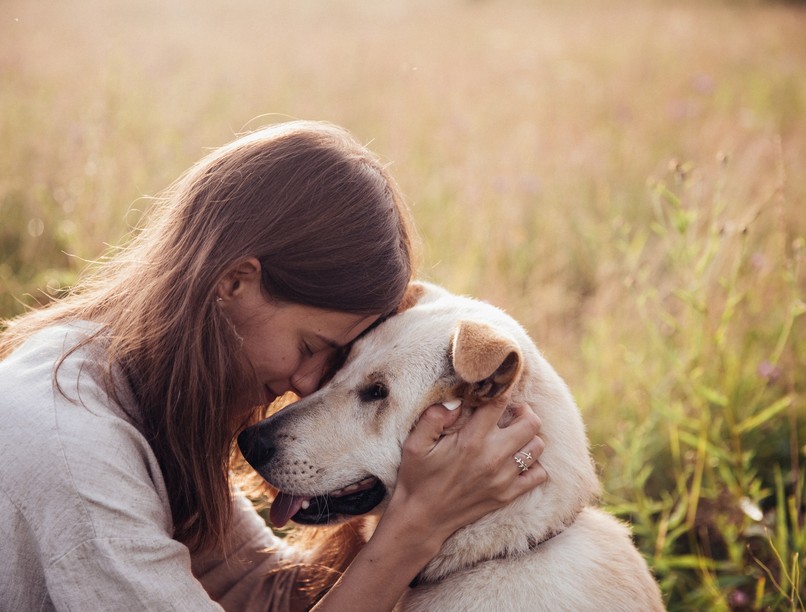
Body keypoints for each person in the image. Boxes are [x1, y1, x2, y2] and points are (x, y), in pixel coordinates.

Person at [0, 120, 546, 611]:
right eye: (311, 348)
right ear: (234, 282)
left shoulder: (137, 382)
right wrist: (418, 527)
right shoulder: (76, 452)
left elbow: (266, 594)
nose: (309, 382)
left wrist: (429, 487)